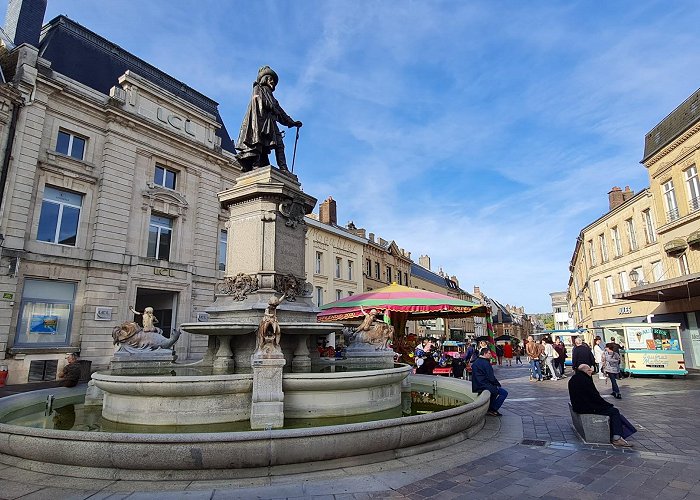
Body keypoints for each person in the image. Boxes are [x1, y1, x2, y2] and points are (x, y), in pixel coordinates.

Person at [235, 66, 302, 172]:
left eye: (274, 81)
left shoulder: (273, 98)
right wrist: (274, 108)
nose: (273, 82)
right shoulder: (258, 88)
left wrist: (292, 122)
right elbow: (261, 103)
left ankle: (284, 168)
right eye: (271, 79)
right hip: (259, 122)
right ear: (265, 79)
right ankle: (256, 164)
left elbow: (282, 113)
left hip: (271, 122)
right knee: (258, 143)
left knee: (280, 145)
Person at [568, 363, 635, 447]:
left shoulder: (574, 379)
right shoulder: (585, 380)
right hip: (586, 407)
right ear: (584, 371)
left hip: (579, 406)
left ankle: (616, 434)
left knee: (611, 410)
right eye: (589, 370)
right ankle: (617, 438)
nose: (591, 372)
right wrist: (607, 405)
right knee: (614, 411)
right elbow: (595, 396)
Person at [471, 347, 508, 416]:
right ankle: (493, 409)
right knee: (504, 393)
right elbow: (491, 377)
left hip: (477, 385)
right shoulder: (486, 363)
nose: (490, 355)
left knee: (494, 392)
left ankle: (490, 408)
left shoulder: (476, 361)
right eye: (489, 353)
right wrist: (497, 384)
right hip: (484, 385)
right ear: (484, 354)